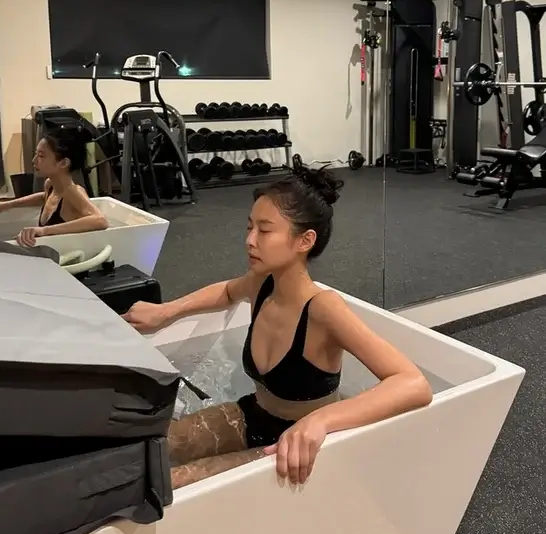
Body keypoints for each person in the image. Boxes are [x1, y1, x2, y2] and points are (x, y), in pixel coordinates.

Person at [123, 165, 433, 489]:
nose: (249, 240)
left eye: (265, 230)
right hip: (251, 416)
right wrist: (167, 311)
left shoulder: (324, 309)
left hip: (293, 446)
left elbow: (413, 383)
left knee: (168, 484)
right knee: (148, 444)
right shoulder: (262, 283)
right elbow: (226, 291)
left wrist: (321, 420)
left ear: (305, 240)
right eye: (249, 227)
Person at [0, 126, 108, 247]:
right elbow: (43, 197)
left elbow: (100, 220)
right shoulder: (51, 185)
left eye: (41, 156)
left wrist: (43, 230)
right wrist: (4, 205)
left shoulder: (73, 192)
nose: (34, 160)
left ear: (63, 163)